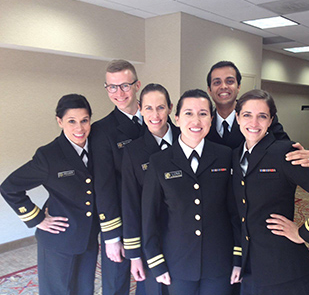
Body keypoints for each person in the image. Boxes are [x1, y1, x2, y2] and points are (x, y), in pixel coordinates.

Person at [232, 89, 309, 295]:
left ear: (271, 121)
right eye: (247, 115)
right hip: (251, 270)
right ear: (237, 118)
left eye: (262, 116)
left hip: (286, 274)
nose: (254, 123)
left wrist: (303, 233)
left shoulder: (284, 152)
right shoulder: (236, 156)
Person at [142, 89, 241, 295]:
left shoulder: (225, 156)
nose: (196, 120)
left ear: (211, 119)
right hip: (177, 262)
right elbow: (150, 216)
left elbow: (235, 211)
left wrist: (238, 257)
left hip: (219, 261)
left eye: (203, 113)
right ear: (176, 118)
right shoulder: (159, 161)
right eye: (188, 113)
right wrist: (156, 262)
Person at [0, 94, 99, 295]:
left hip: (88, 237)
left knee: (84, 289)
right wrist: (37, 218)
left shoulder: (98, 147)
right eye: (71, 121)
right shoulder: (49, 155)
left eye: (84, 121)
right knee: (57, 290)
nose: (79, 128)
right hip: (58, 239)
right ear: (60, 121)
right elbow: (9, 187)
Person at [90, 60, 145, 295]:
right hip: (122, 220)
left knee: (153, 278)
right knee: (116, 284)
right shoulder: (102, 131)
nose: (118, 93)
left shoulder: (156, 119)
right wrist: (111, 237)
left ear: (137, 85)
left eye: (124, 85)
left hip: (157, 216)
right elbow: (104, 186)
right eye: (112, 87)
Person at [121, 83, 179, 294]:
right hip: (150, 239)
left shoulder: (188, 139)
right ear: (140, 108)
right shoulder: (133, 151)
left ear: (170, 108)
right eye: (148, 108)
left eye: (161, 107)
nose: (155, 115)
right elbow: (130, 204)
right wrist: (134, 254)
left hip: (185, 238)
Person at [206, 60, 309, 168]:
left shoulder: (261, 118)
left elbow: (285, 147)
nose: (224, 86)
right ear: (209, 90)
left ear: (238, 86)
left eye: (230, 81)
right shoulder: (203, 122)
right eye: (217, 82)